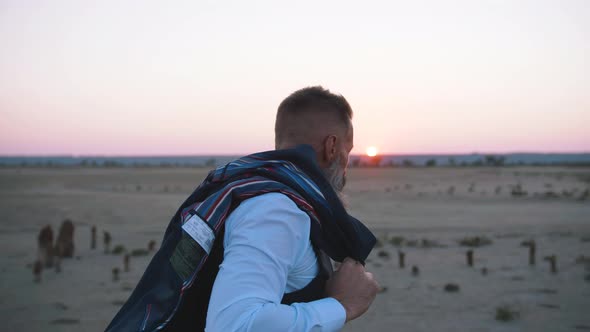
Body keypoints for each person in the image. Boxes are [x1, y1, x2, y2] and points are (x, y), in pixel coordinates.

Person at [105, 86, 378, 332]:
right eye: (347, 151)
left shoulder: (268, 195)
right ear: (331, 146)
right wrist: (342, 305)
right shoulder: (275, 210)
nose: (346, 167)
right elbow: (235, 326)